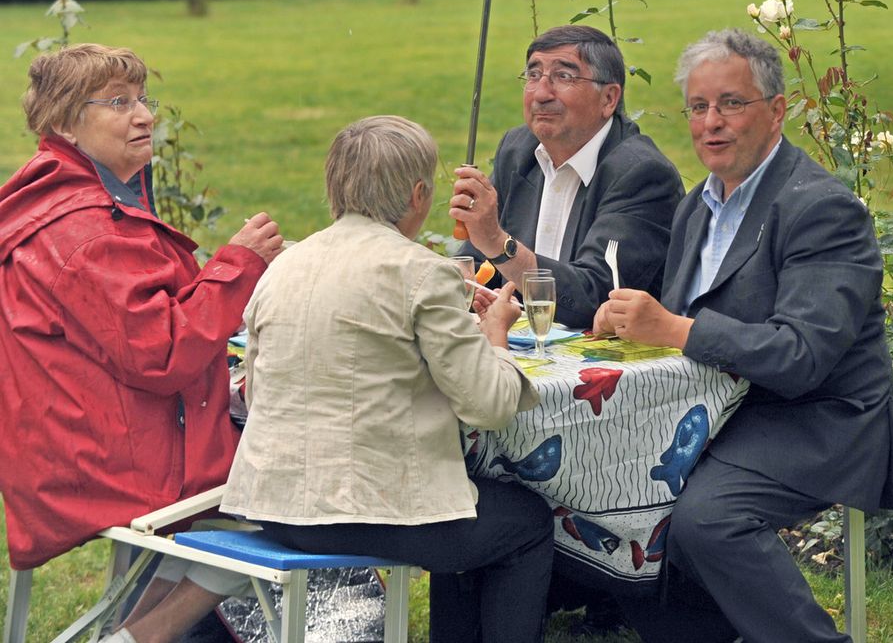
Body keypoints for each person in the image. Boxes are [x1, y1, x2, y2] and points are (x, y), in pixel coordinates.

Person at [595, 29, 893, 643]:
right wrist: (631, 326)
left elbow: (802, 356)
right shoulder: (698, 206)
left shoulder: (821, 207)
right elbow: (684, 321)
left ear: (776, 111)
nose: (711, 122)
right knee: (610, 484)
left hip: (816, 418)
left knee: (708, 517)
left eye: (731, 103)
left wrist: (675, 327)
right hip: (719, 406)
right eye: (698, 106)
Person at [222, 116, 552, 643]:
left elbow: (260, 392)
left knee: (475, 506)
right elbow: (489, 405)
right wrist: (495, 337)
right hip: (369, 511)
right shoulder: (421, 271)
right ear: (418, 194)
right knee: (525, 521)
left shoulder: (283, 266)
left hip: (273, 502)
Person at [0, 44, 283, 643]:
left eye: (143, 100)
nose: (145, 116)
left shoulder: (48, 196)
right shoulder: (85, 233)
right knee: (296, 483)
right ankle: (139, 639)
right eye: (119, 103)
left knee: (262, 463)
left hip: (62, 449)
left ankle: (133, 630)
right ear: (65, 122)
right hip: (106, 465)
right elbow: (165, 354)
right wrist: (239, 265)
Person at [450, 25, 682, 330]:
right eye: (533, 76)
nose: (542, 94)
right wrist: (465, 282)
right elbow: (479, 265)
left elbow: (594, 297)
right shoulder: (518, 150)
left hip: (607, 367)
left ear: (609, 99)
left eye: (564, 77)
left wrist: (497, 242)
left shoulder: (642, 175)